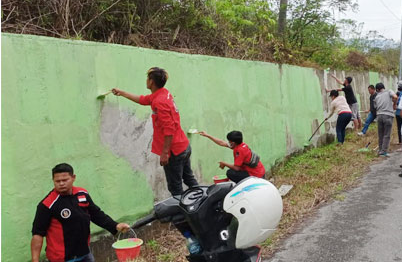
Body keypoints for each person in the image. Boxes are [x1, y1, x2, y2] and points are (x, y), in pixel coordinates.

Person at [112, 67, 198, 196]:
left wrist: (165, 153)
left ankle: (183, 215)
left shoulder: (160, 101)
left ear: (151, 81)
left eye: (147, 78)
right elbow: (143, 100)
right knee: (189, 179)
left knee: (175, 189)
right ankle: (203, 203)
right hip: (183, 146)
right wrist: (122, 93)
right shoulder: (163, 93)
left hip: (174, 151)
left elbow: (169, 130)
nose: (146, 80)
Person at [31, 163, 130, 262]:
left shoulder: (82, 194)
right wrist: (35, 260)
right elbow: (37, 234)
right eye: (57, 181)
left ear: (73, 177)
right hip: (62, 258)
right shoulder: (47, 204)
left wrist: (115, 226)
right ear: (53, 181)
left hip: (85, 254)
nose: (61, 183)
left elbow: (96, 214)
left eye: (65, 180)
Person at [198, 130, 265, 183]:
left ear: (233, 143)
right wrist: (207, 135)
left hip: (256, 175)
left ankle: (243, 186)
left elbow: (236, 168)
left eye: (229, 141)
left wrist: (224, 163)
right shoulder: (241, 145)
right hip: (259, 171)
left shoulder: (240, 151)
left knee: (230, 173)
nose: (228, 143)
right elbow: (221, 143)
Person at [373, 83, 398, 157]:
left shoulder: (376, 97)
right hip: (388, 115)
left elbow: (375, 107)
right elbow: (395, 97)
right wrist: (394, 104)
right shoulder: (388, 91)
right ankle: (383, 151)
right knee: (387, 134)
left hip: (379, 115)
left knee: (381, 134)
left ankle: (380, 150)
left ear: (377, 90)